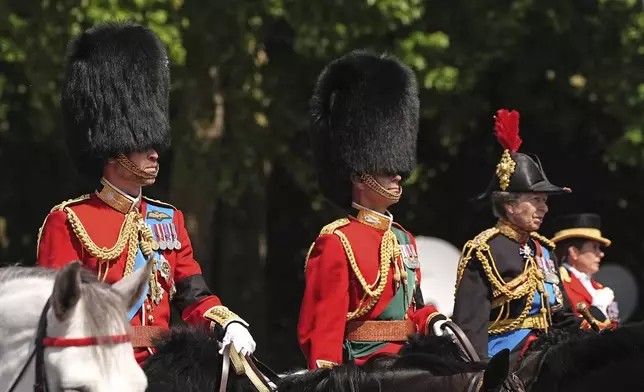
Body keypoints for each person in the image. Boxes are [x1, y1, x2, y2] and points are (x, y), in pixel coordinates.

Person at [36, 22, 256, 366]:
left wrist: (227, 322)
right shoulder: (69, 221)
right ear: (112, 149)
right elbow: (56, 315)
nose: (155, 154)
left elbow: (193, 296)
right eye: (142, 145)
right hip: (104, 367)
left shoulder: (168, 219)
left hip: (166, 367)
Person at [297, 49, 443, 370]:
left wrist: (433, 319)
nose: (397, 176)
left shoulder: (404, 239)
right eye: (385, 168)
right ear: (359, 175)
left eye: (398, 169)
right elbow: (323, 330)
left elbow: (412, 308)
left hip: (409, 366)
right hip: (362, 375)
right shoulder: (337, 241)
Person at [452, 108, 580, 362]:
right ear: (509, 206)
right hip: (505, 358)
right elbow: (470, 326)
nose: (544, 207)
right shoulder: (486, 250)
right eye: (535, 200)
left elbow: (561, 312)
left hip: (549, 351)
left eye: (544, 200)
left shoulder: (544, 250)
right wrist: (479, 377)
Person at [551, 213, 619, 329]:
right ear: (574, 252)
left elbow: (615, 325)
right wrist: (597, 310)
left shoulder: (601, 289)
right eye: (594, 247)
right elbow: (565, 323)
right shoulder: (557, 282)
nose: (601, 254)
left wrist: (611, 314)